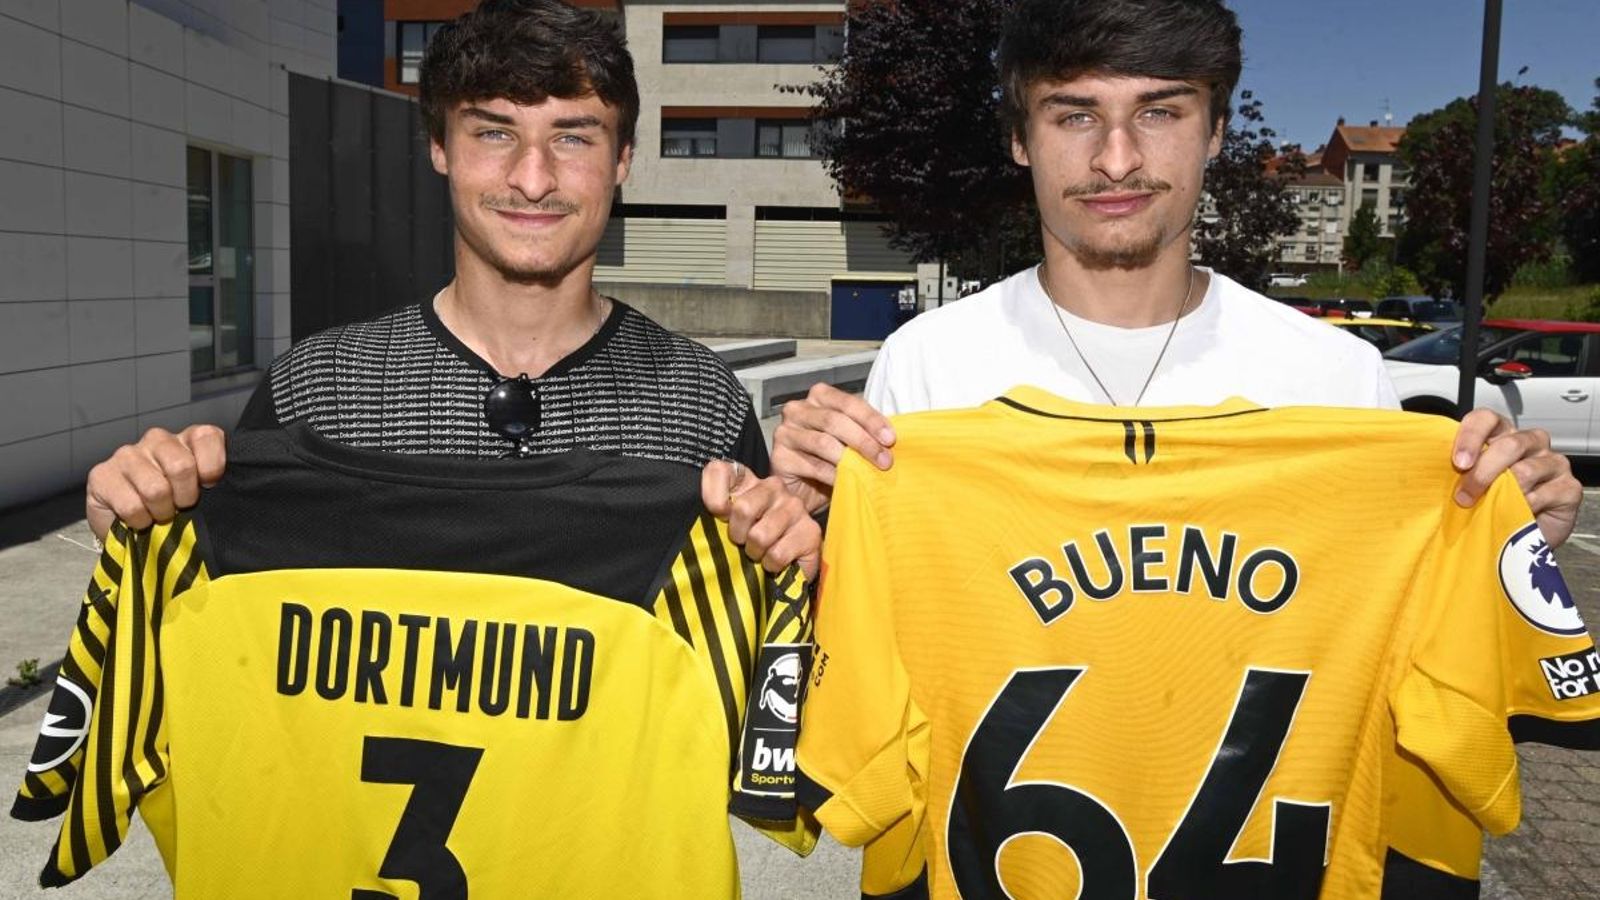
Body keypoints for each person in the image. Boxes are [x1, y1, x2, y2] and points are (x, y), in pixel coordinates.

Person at [771, 0, 1582, 549]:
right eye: (1075, 115)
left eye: (1159, 112)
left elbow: (1408, 637)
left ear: (1217, 132)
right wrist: (803, 520)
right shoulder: (926, 365)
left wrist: (1506, 542)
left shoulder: (1337, 376)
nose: (1116, 159)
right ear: (1020, 139)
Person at [80, 0, 814, 576]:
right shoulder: (318, 389)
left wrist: (806, 549)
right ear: (439, 147)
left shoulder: (700, 402)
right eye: (494, 134)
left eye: (574, 137)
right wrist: (148, 518)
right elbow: (231, 608)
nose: (533, 179)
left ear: (623, 159)